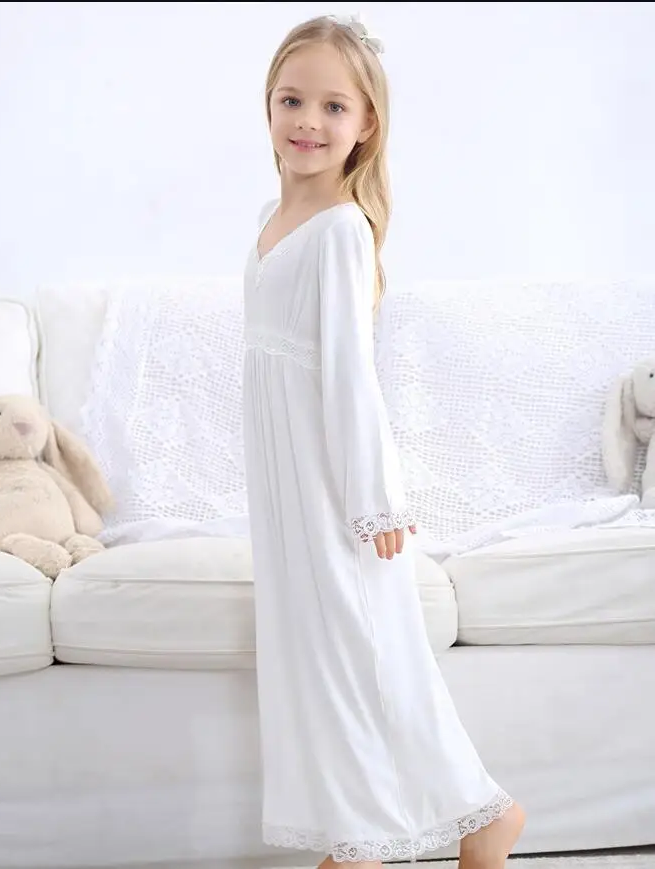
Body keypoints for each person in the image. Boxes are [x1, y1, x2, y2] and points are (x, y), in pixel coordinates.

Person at [242, 13, 525, 868]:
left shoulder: (341, 230)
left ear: (367, 123)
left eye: (334, 106)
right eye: (293, 100)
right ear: (267, 105)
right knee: (319, 662)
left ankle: (372, 841)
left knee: (360, 659)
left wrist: (374, 502)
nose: (309, 121)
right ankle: (426, 824)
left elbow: (348, 376)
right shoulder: (271, 218)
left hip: (337, 492)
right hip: (286, 490)